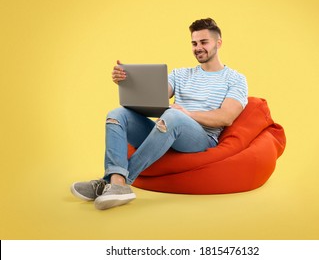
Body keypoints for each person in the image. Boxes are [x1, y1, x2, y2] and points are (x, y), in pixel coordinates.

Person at [71, 18, 248, 210]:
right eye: (194, 43)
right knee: (117, 114)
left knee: (173, 115)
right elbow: (155, 95)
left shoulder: (235, 79)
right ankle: (115, 182)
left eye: (204, 42)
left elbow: (226, 117)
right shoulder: (180, 74)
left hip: (201, 138)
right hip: (167, 128)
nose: (198, 48)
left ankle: (113, 183)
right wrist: (126, 82)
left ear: (218, 43)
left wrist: (186, 113)